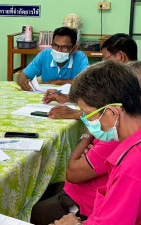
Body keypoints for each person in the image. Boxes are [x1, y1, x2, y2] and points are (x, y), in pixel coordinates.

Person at [51, 60, 141, 225]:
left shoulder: (131, 165)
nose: (86, 120)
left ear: (112, 112)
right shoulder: (129, 148)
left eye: (87, 114)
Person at [31, 132, 119, 224]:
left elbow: (72, 174)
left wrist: (86, 139)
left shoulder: (111, 138)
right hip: (78, 190)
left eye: (91, 117)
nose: (86, 119)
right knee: (40, 192)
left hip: (85, 205)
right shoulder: (110, 132)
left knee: (35, 210)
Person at [44, 33, 138, 119]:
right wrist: (65, 97)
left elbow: (114, 115)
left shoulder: (134, 82)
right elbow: (101, 100)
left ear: (121, 56)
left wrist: (75, 114)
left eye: (106, 59)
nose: (104, 64)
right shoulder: (120, 78)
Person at [17, 27, 89, 91]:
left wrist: (57, 82)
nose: (58, 50)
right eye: (55, 45)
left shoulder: (80, 57)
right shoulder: (45, 55)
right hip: (46, 98)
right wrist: (23, 82)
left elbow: (87, 82)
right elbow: (22, 75)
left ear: (74, 49)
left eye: (64, 47)